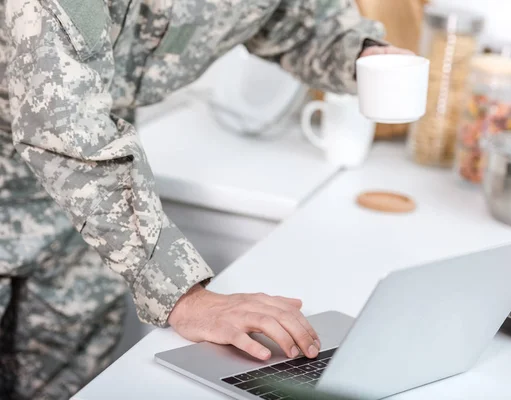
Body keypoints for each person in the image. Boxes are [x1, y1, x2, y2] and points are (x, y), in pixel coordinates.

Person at [1, 1, 410, 398]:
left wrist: (363, 55)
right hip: (54, 176)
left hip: (91, 217)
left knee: (75, 386)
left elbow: (292, 18)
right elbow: (61, 123)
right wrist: (183, 296)